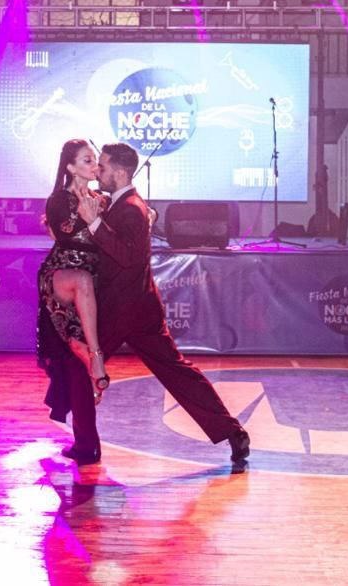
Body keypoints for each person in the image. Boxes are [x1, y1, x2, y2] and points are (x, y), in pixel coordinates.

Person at [59, 142, 250, 468]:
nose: (98, 171)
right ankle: (233, 433)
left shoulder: (131, 209)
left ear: (121, 172)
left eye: (103, 166)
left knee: (79, 362)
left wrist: (94, 224)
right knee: (176, 371)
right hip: (138, 308)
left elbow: (126, 255)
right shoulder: (123, 205)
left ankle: (87, 446)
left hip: (120, 309)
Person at [37, 140, 108, 405]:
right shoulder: (58, 199)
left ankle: (89, 377)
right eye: (87, 160)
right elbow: (66, 234)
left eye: (95, 159)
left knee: (77, 341)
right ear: (71, 167)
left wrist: (150, 214)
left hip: (93, 277)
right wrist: (86, 216)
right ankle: (97, 358)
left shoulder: (100, 200)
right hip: (60, 274)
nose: (95, 165)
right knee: (82, 279)